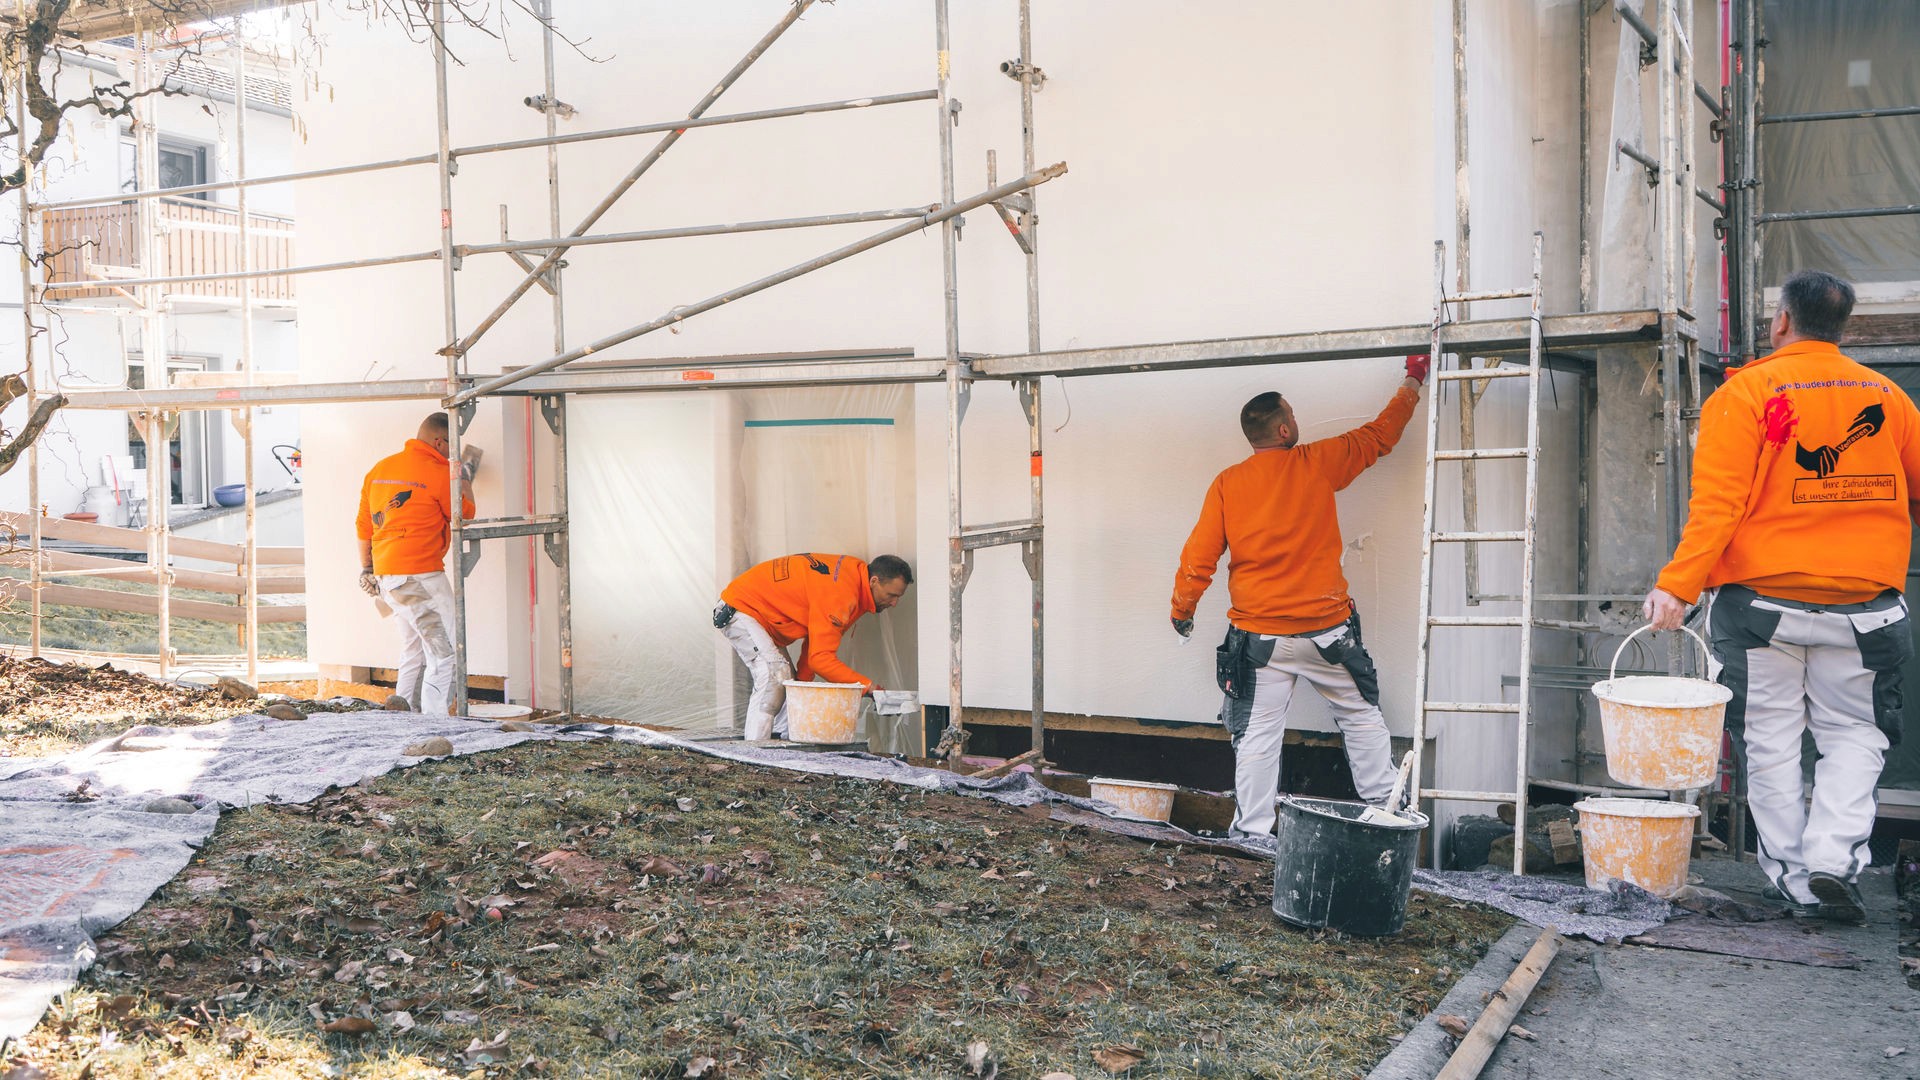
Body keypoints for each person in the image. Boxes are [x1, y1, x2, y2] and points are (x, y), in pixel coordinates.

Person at [1644, 270, 1920, 923]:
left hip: (1763, 606)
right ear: (1841, 327)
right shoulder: (1889, 397)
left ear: (1781, 323)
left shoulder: (1745, 394)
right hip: (1866, 607)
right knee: (1855, 734)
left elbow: (1718, 507)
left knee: (1768, 739)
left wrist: (1677, 585)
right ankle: (1833, 861)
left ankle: (1797, 877)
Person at [1170, 356, 1430, 838]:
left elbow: (1198, 557)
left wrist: (1182, 612)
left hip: (1258, 640)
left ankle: (1251, 835)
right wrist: (1413, 378)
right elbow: (1381, 435)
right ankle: (1388, 813)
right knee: (1359, 716)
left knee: (1258, 737)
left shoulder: (1229, 483)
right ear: (1285, 428)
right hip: (1326, 633)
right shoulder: (1316, 463)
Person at [355, 412, 477, 716]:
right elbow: (466, 513)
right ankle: (433, 724)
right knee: (443, 651)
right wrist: (462, 475)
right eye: (451, 446)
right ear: (439, 441)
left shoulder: (379, 470)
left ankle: (401, 714)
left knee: (413, 648)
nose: (453, 453)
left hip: (389, 578)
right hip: (421, 578)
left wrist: (367, 569)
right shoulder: (438, 473)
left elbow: (363, 529)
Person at [715, 553, 912, 739]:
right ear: (874, 581)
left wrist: (801, 683)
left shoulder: (852, 579)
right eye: (891, 595)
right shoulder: (841, 593)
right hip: (740, 608)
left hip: (758, 613)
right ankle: (755, 751)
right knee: (774, 675)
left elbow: (815, 644)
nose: (894, 603)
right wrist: (868, 687)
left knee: (787, 681)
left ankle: (783, 742)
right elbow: (820, 659)